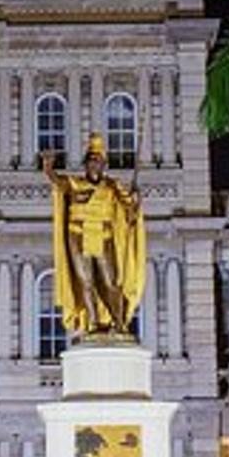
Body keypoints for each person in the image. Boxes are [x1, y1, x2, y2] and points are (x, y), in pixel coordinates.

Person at [41, 132, 145, 338]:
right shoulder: (75, 183)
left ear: (103, 164)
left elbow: (129, 207)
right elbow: (57, 182)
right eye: (90, 160)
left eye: (97, 160)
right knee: (86, 282)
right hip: (78, 236)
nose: (93, 164)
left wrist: (135, 202)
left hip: (103, 236)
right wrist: (48, 167)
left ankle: (119, 322)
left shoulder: (112, 186)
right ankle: (93, 324)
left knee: (111, 281)